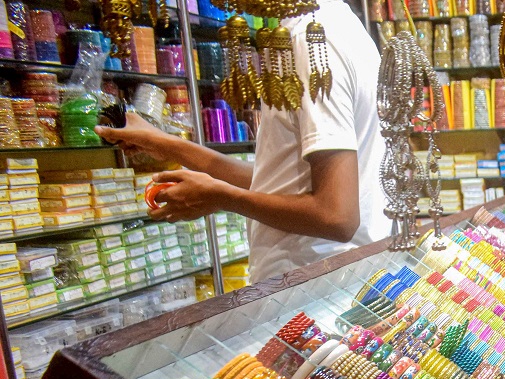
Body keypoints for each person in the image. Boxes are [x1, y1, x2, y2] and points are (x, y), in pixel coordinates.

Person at [96, 0, 388, 283]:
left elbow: (335, 216)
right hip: (331, 276)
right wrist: (165, 143)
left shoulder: (307, 39)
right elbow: (281, 183)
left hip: (309, 281)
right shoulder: (340, 23)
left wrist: (222, 197)